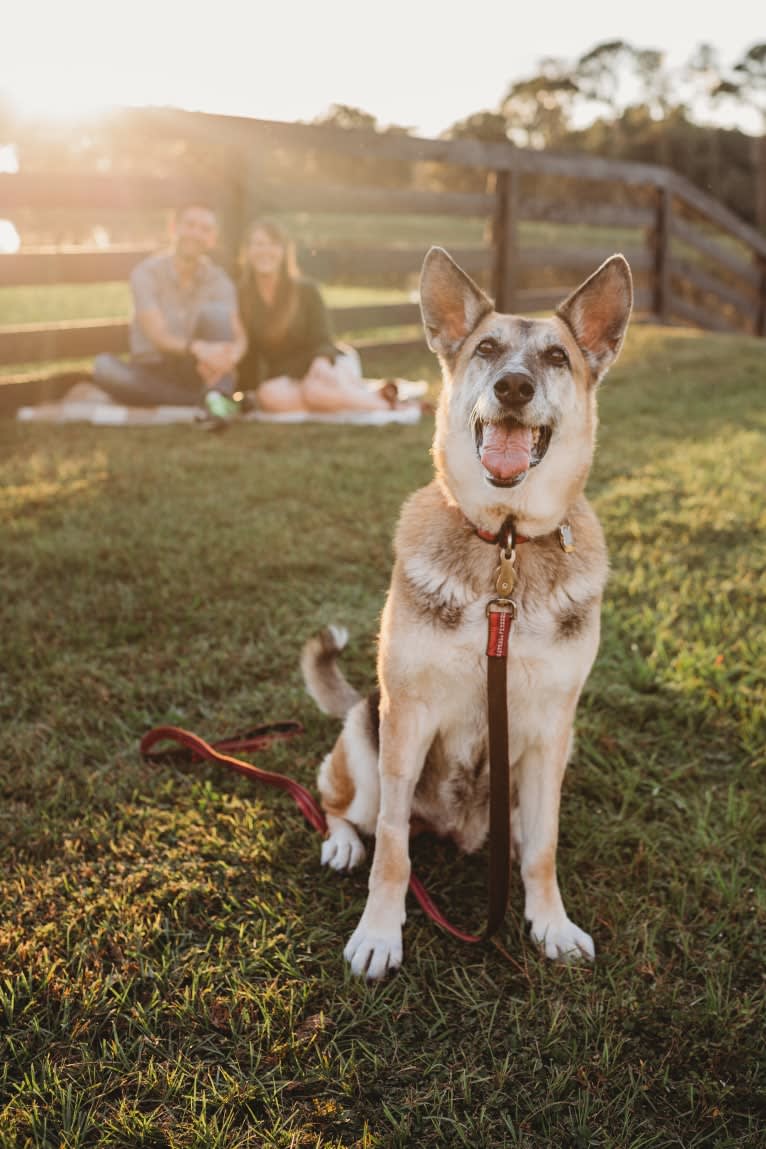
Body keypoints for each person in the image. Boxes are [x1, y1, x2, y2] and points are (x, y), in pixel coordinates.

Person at [237, 219, 410, 414]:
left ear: (284, 251)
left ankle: (389, 407)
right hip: (288, 374)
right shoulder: (242, 297)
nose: (265, 251)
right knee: (269, 395)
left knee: (316, 391)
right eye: (258, 244)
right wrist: (244, 389)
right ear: (248, 250)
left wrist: (321, 361)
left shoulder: (306, 290)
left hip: (324, 361)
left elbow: (323, 337)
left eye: (272, 244)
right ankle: (355, 400)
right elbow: (247, 350)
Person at [93, 203, 247, 410]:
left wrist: (229, 358)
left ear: (212, 239)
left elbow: (239, 335)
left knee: (217, 315)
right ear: (174, 228)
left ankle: (209, 395)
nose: (196, 233)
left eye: (205, 229)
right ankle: (204, 399)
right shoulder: (146, 274)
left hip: (197, 370)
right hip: (151, 368)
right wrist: (198, 348)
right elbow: (157, 335)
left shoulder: (219, 280)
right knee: (104, 367)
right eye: (190, 225)